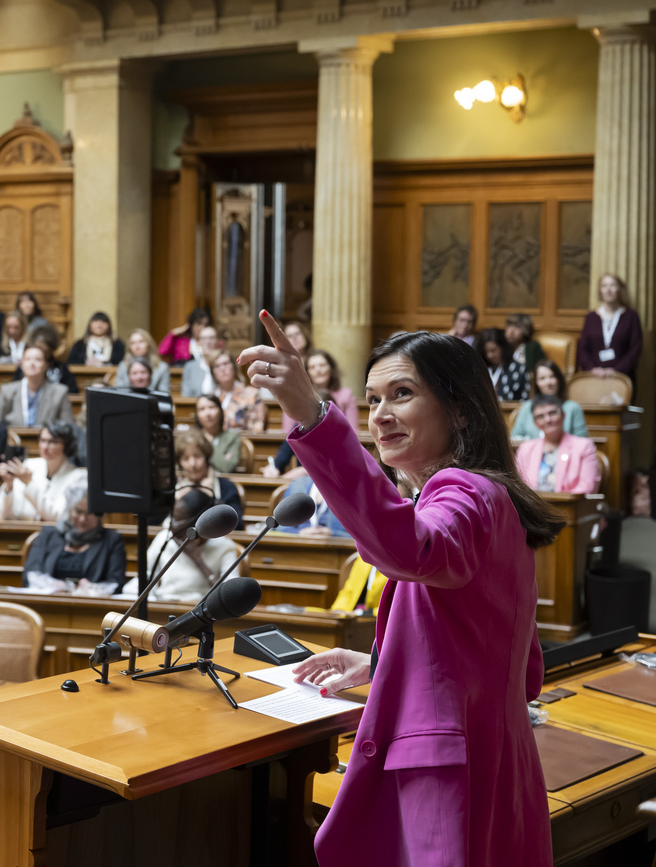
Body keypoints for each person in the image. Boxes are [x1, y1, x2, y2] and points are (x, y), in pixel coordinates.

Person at [239, 311, 562, 867]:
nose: (381, 415)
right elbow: (504, 656)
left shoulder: (463, 493)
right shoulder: (495, 497)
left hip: (447, 777)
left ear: (459, 407)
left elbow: (414, 551)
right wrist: (383, 663)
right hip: (499, 766)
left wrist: (312, 416)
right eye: (372, 400)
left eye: (402, 393)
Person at [23, 481, 128, 590]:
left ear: (99, 515)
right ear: (69, 510)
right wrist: (56, 586)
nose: (83, 519)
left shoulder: (112, 540)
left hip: (91, 604)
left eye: (90, 513)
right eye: (78, 511)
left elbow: (116, 583)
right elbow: (29, 577)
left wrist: (94, 588)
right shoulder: (48, 535)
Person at [145, 489, 239, 602]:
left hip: (198, 610)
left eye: (178, 520)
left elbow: (230, 597)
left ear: (198, 523)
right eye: (172, 518)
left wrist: (197, 560)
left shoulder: (224, 546)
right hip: (162, 606)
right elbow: (146, 579)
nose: (171, 525)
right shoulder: (163, 538)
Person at [0, 421, 83, 521]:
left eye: (52, 442)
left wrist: (29, 483)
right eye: (42, 440)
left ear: (66, 445)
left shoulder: (77, 476)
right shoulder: (28, 466)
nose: (45, 447)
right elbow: (3, 516)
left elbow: (59, 516)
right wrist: (9, 486)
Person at [515, 396, 600, 495]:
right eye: (540, 416)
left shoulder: (584, 446)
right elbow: (519, 486)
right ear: (536, 423)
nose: (547, 419)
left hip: (568, 508)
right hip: (533, 507)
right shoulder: (525, 448)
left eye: (552, 413)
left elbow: (587, 486)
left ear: (563, 415)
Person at [578, 272, 643, 379]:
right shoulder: (591, 317)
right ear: (600, 291)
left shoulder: (631, 316)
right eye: (604, 286)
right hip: (594, 377)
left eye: (613, 285)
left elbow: (635, 348)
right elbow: (583, 349)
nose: (608, 289)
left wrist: (617, 370)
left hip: (622, 377)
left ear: (619, 289)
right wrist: (592, 369)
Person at [0, 345, 75, 429]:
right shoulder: (7, 391)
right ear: (22, 364)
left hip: (48, 440)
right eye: (27, 359)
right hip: (13, 440)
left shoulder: (60, 392)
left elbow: (69, 427)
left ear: (46, 365)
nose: (32, 363)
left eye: (37, 359)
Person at [280, 350, 358, 434]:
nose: (318, 370)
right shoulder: (296, 397)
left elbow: (353, 431)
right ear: (307, 373)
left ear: (331, 368)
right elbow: (288, 432)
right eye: (312, 367)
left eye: (322, 365)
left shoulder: (346, 395)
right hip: (305, 443)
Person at [173, 429, 243, 518]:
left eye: (197, 456)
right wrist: (178, 503)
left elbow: (237, 526)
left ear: (207, 459)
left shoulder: (227, 487)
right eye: (186, 458)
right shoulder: (173, 489)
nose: (192, 464)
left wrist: (212, 499)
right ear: (180, 463)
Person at [510, 360, 587, 441]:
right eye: (542, 378)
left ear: (559, 379)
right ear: (536, 383)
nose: (548, 382)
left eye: (552, 376)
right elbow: (514, 438)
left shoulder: (573, 408)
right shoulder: (527, 407)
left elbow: (582, 442)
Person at [209, 350, 265, 431]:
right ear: (213, 372)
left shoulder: (251, 394)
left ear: (234, 366)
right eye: (217, 366)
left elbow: (258, 426)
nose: (222, 369)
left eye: (225, 363)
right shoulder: (210, 396)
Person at [278, 475, 350, 537]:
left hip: (335, 547)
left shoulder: (350, 490)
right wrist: (299, 532)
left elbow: (356, 536)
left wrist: (333, 534)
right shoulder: (298, 484)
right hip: (297, 544)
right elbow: (280, 527)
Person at [193, 395, 244, 474]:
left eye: (211, 407)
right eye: (202, 409)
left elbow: (227, 467)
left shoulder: (232, 437)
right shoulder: (192, 438)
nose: (207, 413)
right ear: (197, 415)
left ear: (221, 411)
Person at [478, 327, 526, 401]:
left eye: (493, 350)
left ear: (503, 347)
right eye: (486, 352)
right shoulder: (483, 369)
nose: (489, 355)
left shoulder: (518, 369)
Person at [181, 326, 222, 396]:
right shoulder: (190, 367)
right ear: (199, 342)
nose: (208, 342)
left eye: (211, 338)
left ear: (217, 341)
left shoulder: (224, 364)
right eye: (204, 338)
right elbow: (185, 396)